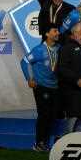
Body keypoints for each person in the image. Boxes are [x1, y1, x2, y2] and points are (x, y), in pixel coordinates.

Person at [20, 24, 61, 152]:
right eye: (55, 31)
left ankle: (45, 143)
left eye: (58, 31)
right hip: (42, 86)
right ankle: (39, 143)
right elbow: (25, 61)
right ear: (47, 34)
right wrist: (30, 78)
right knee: (44, 114)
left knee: (52, 115)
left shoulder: (59, 48)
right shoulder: (39, 50)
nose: (58, 33)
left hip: (55, 86)